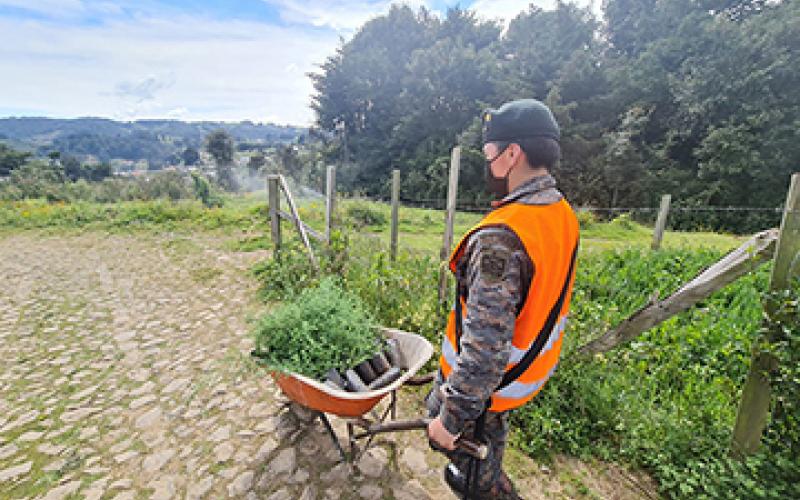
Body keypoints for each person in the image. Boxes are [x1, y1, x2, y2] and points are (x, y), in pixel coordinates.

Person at [426, 99, 580, 499]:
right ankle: (482, 476)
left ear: (512, 154)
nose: (487, 164)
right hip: (527, 370)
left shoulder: (502, 239)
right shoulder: (560, 213)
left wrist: (450, 419)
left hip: (496, 381)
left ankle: (487, 488)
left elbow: (484, 353)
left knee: (457, 434)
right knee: (489, 432)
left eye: (489, 154)